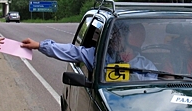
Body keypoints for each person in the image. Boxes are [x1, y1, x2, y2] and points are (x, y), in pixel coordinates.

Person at [20, 22, 157, 80]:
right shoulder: (99, 56)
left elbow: (150, 94)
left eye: (117, 35)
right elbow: (71, 51)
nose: (112, 38)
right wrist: (39, 45)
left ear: (131, 40)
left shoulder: (146, 67)